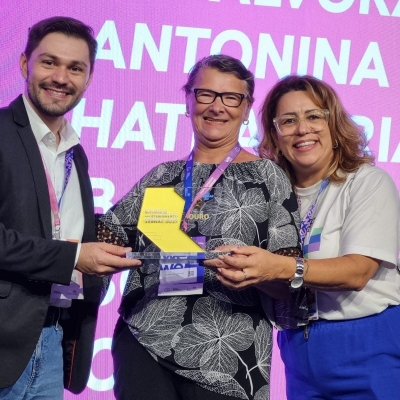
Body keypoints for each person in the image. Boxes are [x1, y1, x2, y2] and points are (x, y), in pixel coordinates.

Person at [97, 54, 301, 400]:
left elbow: (288, 276)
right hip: (144, 343)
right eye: (205, 94)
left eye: (231, 97)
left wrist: (259, 271)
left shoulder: (268, 177)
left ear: (247, 108)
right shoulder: (163, 177)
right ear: (188, 99)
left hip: (229, 358)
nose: (217, 106)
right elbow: (106, 237)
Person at [214, 75, 400, 399]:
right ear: (274, 134)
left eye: (314, 116)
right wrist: (247, 271)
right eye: (288, 121)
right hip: (297, 350)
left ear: (334, 124)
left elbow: (357, 272)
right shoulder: (269, 196)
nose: (302, 129)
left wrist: (280, 267)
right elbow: (278, 286)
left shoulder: (367, 182)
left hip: (369, 344)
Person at [0, 16, 141, 399]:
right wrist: (76, 256)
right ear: (25, 64)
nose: (61, 77)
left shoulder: (74, 153)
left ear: (89, 78)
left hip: (53, 340)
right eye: (50, 62)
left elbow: (51, 225)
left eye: (75, 68)